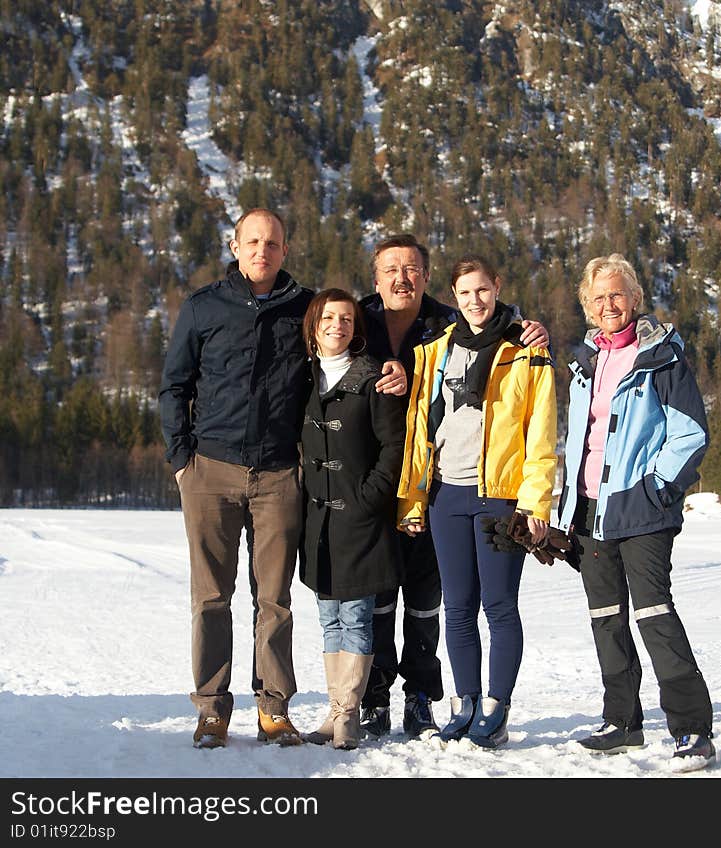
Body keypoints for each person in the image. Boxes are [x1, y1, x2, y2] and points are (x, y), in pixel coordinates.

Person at [358, 234, 550, 740]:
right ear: (455, 297)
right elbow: (421, 428)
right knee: (458, 607)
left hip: (500, 497)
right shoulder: (434, 350)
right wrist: (415, 496)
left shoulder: (525, 353)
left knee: (499, 605)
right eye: (465, 293)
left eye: (483, 291)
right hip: (445, 496)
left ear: (497, 289)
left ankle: (497, 707)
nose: (474, 301)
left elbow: (542, 436)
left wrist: (535, 501)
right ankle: (464, 704)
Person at [159, 208, 312, 749]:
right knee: (211, 599)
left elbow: (344, 351)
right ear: (236, 245)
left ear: (284, 249)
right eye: (252, 242)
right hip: (210, 471)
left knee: (274, 599)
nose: (261, 251)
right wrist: (183, 461)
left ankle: (273, 709)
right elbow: (174, 386)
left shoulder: (306, 308)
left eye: (271, 243)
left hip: (277, 474)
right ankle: (211, 709)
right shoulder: (204, 307)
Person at [556, 253, 716, 771]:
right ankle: (621, 722)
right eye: (598, 297)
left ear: (635, 299)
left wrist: (656, 488)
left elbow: (689, 433)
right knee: (606, 619)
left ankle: (692, 730)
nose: (609, 305)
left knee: (654, 616)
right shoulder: (586, 362)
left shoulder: (662, 356)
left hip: (642, 509)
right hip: (589, 511)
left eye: (617, 294)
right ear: (587, 304)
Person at [297, 289, 405, 750]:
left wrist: (368, 499)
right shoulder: (302, 378)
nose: (337, 325)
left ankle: (348, 715)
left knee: (358, 618)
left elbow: (393, 447)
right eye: (328, 317)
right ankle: (336, 709)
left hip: (359, 518)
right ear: (314, 325)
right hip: (318, 520)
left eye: (346, 318)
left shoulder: (373, 377)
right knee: (328, 619)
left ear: (355, 328)